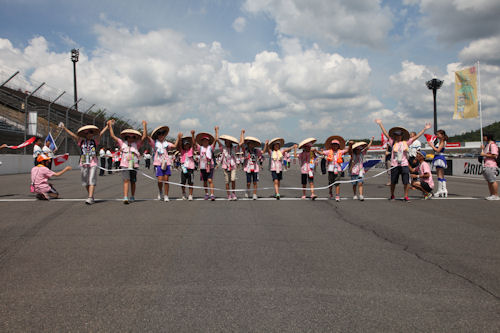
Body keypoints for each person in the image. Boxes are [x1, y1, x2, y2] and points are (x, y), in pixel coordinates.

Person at [376, 119, 431, 202]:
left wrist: (424, 129)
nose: (397, 136)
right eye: (396, 135)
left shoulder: (406, 142)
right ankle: (392, 195)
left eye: (399, 135)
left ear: (402, 136)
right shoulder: (392, 142)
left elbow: (416, 137)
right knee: (393, 182)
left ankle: (406, 196)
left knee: (406, 182)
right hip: (394, 165)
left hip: (404, 164)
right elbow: (385, 134)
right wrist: (380, 124)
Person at [60, 123, 108, 205]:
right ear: (85, 134)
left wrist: (107, 126)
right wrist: (64, 128)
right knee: (85, 181)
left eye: (91, 132)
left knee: (92, 179)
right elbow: (72, 135)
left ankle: (90, 197)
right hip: (83, 161)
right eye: (87, 133)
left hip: (93, 161)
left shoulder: (94, 141)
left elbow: (101, 134)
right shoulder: (81, 141)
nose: (89, 134)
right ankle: (91, 195)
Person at [108, 119, 147, 204]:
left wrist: (144, 126)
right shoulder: (122, 143)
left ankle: (132, 196)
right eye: (129, 136)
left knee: (133, 181)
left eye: (133, 137)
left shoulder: (137, 144)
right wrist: (110, 126)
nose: (131, 138)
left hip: (134, 165)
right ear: (126, 137)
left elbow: (144, 137)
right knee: (126, 180)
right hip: (125, 164)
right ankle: (125, 197)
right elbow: (112, 136)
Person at [148, 125, 179, 202]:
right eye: (159, 134)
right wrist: (145, 127)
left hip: (166, 163)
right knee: (160, 180)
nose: (161, 135)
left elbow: (174, 146)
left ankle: (166, 195)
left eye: (162, 134)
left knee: (166, 180)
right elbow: (147, 138)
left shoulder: (166, 143)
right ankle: (160, 191)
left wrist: (178, 137)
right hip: (158, 163)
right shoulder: (154, 143)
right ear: (157, 136)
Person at [321, 135, 348, 202]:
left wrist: (350, 144)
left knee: (337, 183)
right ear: (331, 146)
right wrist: (316, 150)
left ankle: (337, 195)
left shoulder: (340, 152)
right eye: (333, 145)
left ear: (338, 146)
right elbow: (322, 153)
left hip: (338, 169)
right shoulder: (328, 152)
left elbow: (348, 150)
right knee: (330, 182)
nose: (334, 146)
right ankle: (330, 191)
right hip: (331, 169)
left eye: (336, 145)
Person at [217, 129, 242, 201]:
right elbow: (217, 141)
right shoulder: (223, 148)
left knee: (233, 179)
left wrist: (242, 133)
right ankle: (229, 195)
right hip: (225, 167)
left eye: (228, 142)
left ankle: (233, 193)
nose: (227, 143)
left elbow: (241, 143)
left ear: (231, 142)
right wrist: (216, 131)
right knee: (227, 181)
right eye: (226, 141)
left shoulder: (234, 148)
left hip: (233, 166)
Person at [194, 127, 218, 201]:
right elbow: (194, 143)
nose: (205, 142)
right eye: (203, 140)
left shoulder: (210, 148)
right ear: (202, 142)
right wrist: (193, 134)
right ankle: (206, 194)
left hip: (210, 166)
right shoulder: (200, 148)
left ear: (208, 141)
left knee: (210, 180)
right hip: (203, 167)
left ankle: (212, 194)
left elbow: (216, 140)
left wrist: (216, 131)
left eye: (206, 141)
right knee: (205, 181)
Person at [348, 137, 374, 201]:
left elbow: (367, 147)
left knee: (360, 183)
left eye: (360, 149)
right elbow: (350, 150)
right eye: (357, 150)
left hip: (360, 171)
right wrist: (350, 145)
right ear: (355, 150)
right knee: (354, 184)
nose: (359, 151)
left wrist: (371, 141)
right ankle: (354, 195)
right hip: (353, 171)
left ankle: (361, 195)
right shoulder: (353, 154)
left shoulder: (362, 154)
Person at [241, 132, 262, 200]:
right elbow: (241, 144)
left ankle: (254, 194)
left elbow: (262, 153)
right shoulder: (245, 150)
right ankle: (247, 190)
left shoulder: (256, 151)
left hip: (255, 168)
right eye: (249, 144)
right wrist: (242, 134)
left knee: (255, 182)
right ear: (248, 144)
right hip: (248, 168)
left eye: (252, 144)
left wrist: (266, 145)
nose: (250, 145)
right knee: (248, 182)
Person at [176, 131, 196, 201]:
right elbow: (179, 145)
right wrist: (179, 138)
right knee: (183, 182)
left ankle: (190, 195)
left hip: (190, 168)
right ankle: (184, 193)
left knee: (191, 182)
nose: (186, 146)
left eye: (187, 144)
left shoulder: (191, 150)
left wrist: (193, 135)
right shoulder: (182, 151)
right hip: (184, 168)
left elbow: (194, 144)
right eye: (185, 145)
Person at [428, 129, 449, 197]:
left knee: (439, 175)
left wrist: (431, 145)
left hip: (439, 158)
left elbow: (438, 150)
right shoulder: (441, 141)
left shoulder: (442, 142)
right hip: (439, 157)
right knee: (441, 175)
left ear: (442, 135)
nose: (437, 135)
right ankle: (444, 189)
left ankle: (440, 190)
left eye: (438, 134)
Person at [480, 133, 499, 200]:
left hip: (491, 165)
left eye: (484, 136)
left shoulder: (492, 145)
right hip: (486, 165)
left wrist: (484, 154)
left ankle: (495, 195)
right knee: (489, 181)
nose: (483, 138)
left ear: (488, 137)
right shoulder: (487, 145)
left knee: (492, 180)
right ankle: (492, 194)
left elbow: (494, 155)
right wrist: (483, 149)